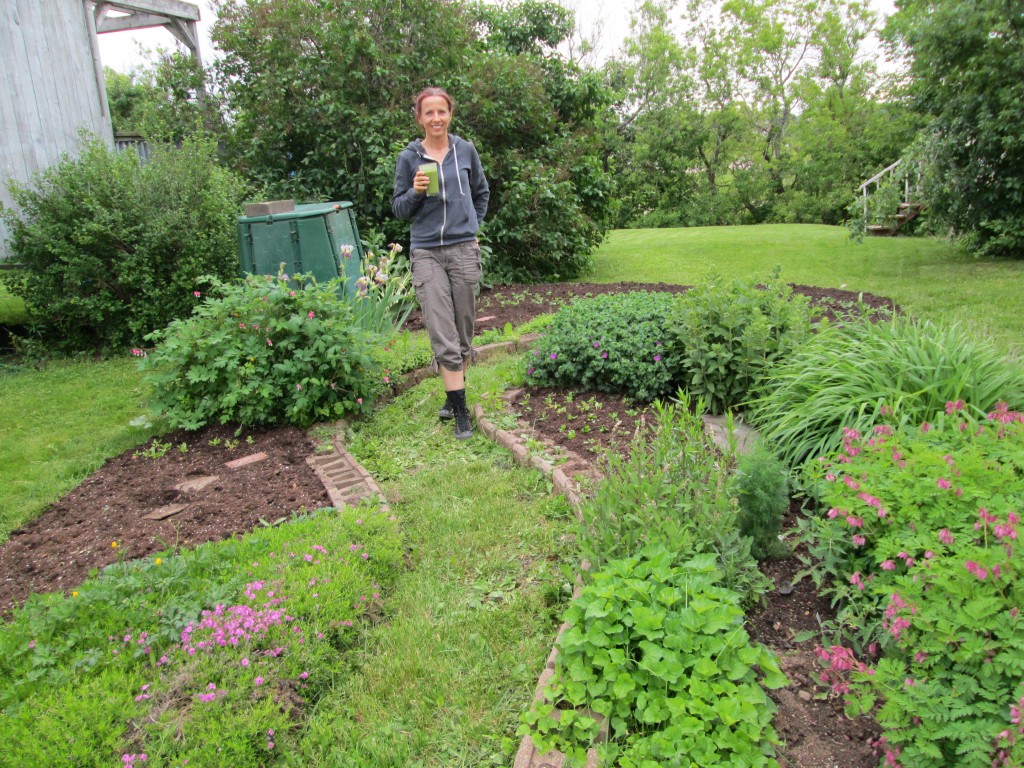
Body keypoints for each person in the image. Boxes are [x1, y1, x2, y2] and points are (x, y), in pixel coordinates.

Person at [392, 87, 490, 440]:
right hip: (427, 251)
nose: (436, 118)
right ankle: (461, 411)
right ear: (420, 118)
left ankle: (452, 392)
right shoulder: (409, 158)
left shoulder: (465, 151)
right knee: (441, 328)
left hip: (463, 249)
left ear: (450, 114)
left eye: (441, 112)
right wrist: (415, 192)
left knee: (463, 329)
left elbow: (482, 192)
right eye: (428, 113)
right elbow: (399, 209)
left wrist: (472, 227)